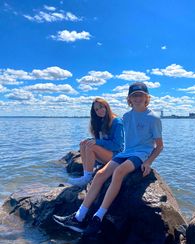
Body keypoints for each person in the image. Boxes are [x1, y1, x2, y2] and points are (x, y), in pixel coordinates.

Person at [54, 82, 163, 235]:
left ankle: (98, 217)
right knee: (99, 175)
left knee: (118, 172)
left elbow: (159, 146)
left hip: (141, 154)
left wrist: (148, 161)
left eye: (140, 95)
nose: (137, 98)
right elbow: (120, 138)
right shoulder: (126, 116)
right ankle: (78, 217)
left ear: (147, 98)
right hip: (126, 153)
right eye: (134, 96)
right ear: (129, 99)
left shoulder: (153, 118)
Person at [69, 97, 124, 187]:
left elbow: (118, 146)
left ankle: (87, 179)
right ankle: (86, 175)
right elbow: (101, 140)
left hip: (117, 155)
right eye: (96, 109)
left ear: (106, 106)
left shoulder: (117, 122)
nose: (99, 111)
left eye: (101, 107)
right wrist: (91, 140)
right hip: (106, 153)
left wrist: (97, 142)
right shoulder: (101, 121)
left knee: (92, 146)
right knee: (83, 144)